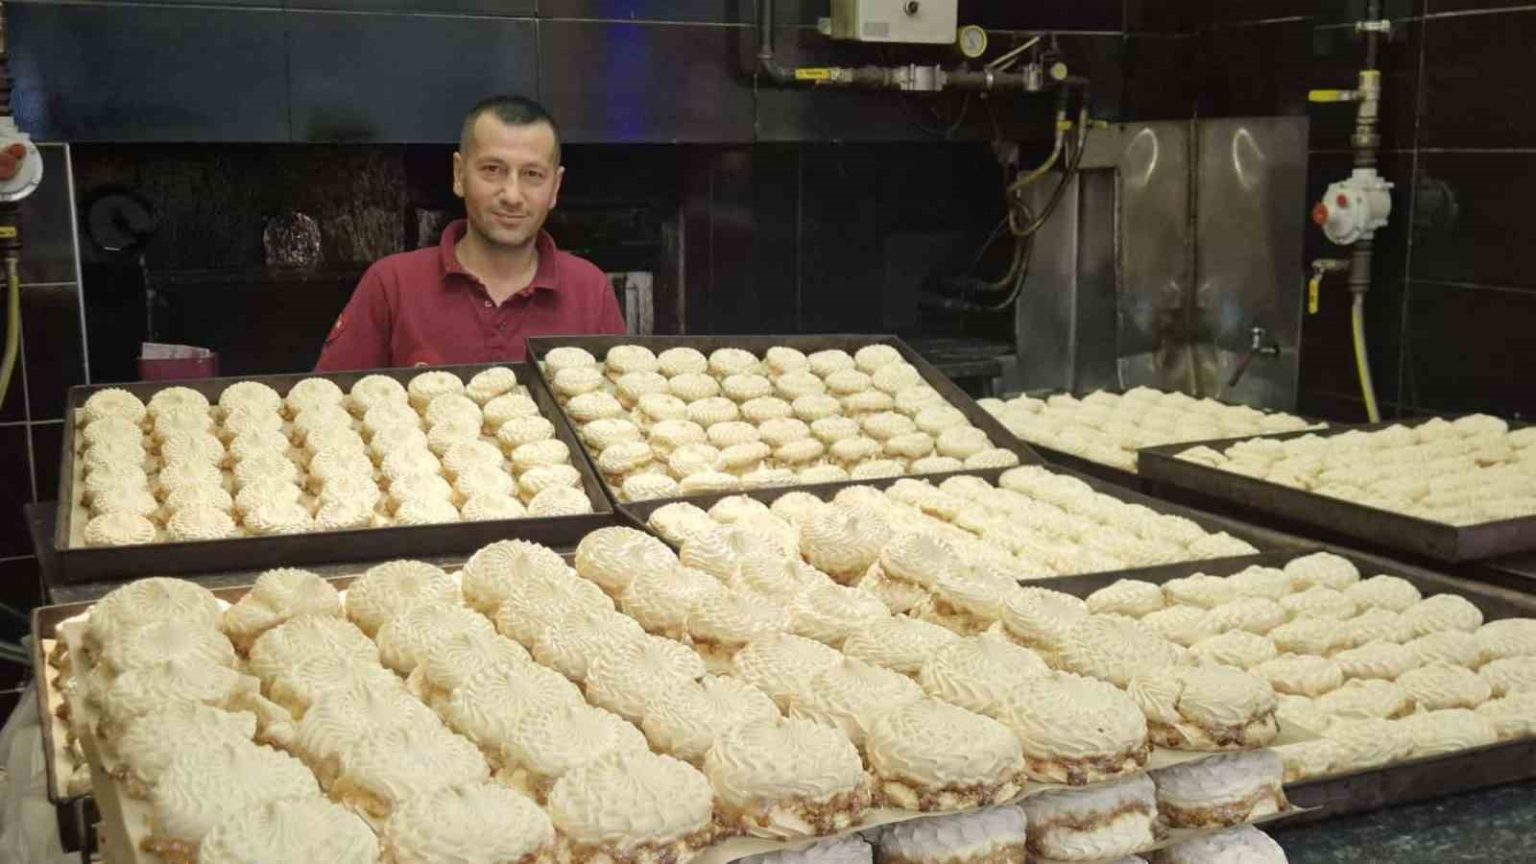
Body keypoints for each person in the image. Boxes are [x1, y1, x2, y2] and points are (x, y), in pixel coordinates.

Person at [316, 95, 625, 370]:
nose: (512, 195)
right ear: (459, 174)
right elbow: (329, 404)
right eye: (492, 170)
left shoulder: (590, 291)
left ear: (555, 187)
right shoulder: (391, 285)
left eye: (532, 174)